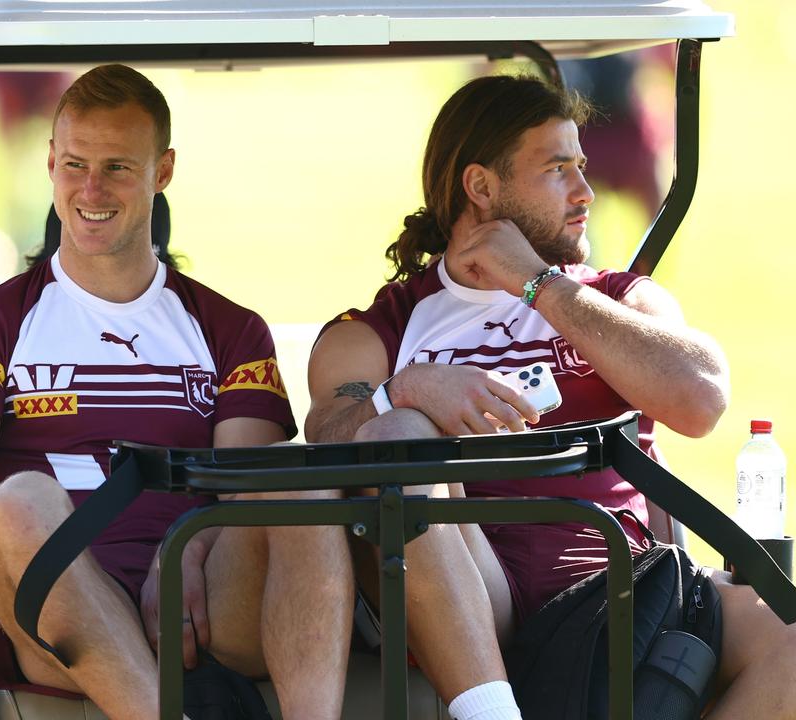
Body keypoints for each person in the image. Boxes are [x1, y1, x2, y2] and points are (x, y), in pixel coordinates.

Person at [0, 64, 354, 720]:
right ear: (50, 163)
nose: (91, 188)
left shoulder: (230, 330)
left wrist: (187, 552)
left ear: (163, 170)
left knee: (299, 482)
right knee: (17, 503)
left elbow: (249, 495)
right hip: (59, 609)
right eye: (74, 164)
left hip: (199, 601)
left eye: (118, 166)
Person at [305, 74, 796, 720]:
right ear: (481, 187)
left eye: (582, 166)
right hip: (485, 601)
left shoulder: (620, 300)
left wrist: (538, 285)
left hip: (633, 590)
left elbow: (702, 398)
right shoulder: (385, 326)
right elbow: (322, 437)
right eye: (558, 169)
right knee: (393, 434)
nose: (587, 192)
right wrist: (408, 389)